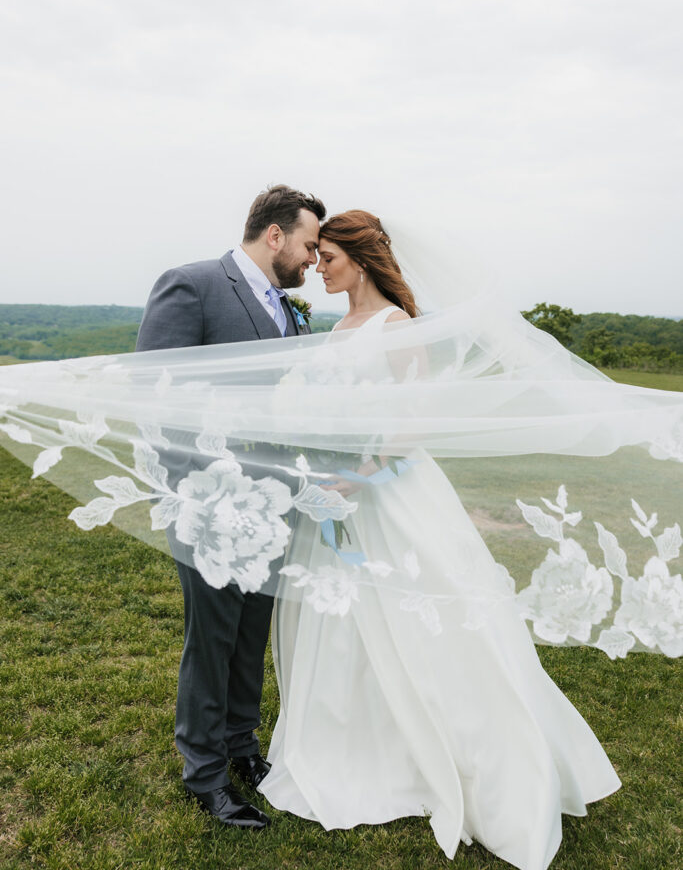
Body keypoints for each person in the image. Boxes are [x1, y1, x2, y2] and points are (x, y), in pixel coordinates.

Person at [258, 210, 622, 870]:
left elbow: (411, 425)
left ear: (361, 261)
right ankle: (354, 746)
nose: (318, 266)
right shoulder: (336, 328)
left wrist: (357, 479)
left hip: (387, 496)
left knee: (421, 617)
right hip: (336, 495)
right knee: (345, 621)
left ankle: (471, 759)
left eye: (329, 257)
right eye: (316, 258)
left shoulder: (394, 329)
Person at [135, 184, 326, 829]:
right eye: (307, 245)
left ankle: (243, 747)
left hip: (276, 501)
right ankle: (205, 773)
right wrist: (203, 497)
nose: (312, 260)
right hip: (211, 504)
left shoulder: (289, 310)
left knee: (250, 635)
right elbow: (155, 397)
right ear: (275, 235)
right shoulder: (192, 285)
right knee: (212, 639)